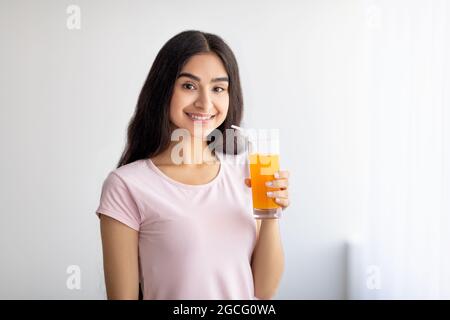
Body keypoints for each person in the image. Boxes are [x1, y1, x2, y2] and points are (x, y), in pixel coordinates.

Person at [95, 30, 290, 300]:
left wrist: (270, 214)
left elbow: (264, 292)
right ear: (163, 89)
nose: (205, 103)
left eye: (218, 88)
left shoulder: (246, 174)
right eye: (189, 86)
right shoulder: (127, 185)